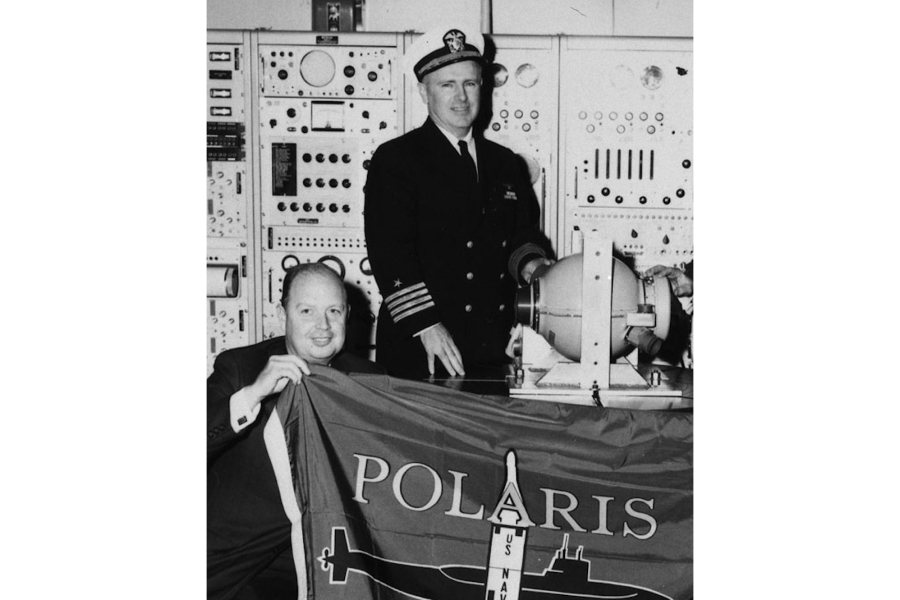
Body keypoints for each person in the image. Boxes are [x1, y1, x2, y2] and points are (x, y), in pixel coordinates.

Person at [364, 25, 552, 380]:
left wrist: (533, 267)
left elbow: (520, 234)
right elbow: (390, 255)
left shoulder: (504, 162)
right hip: (423, 345)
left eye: (470, 83)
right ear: (424, 91)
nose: (461, 97)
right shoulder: (397, 160)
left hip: (493, 344)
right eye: (447, 85)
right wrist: (426, 325)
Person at [207, 263, 382, 600]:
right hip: (238, 563)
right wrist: (253, 394)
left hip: (328, 560)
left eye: (334, 311)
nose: (323, 326)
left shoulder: (371, 381)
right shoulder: (241, 369)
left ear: (347, 315)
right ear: (281, 314)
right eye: (307, 311)